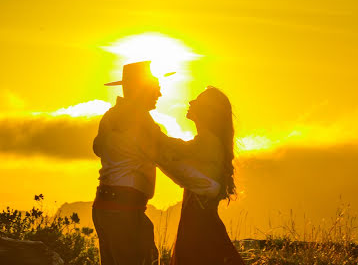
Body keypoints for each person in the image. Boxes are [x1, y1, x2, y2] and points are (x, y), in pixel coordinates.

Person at [92, 61, 221, 265]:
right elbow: (166, 158)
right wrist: (210, 187)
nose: (159, 94)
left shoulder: (110, 118)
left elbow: (98, 147)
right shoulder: (139, 121)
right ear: (142, 90)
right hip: (126, 211)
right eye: (156, 89)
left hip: (103, 209)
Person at [169, 86, 245, 265]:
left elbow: (168, 153)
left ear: (208, 112)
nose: (190, 102)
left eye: (198, 100)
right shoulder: (208, 142)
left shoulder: (207, 143)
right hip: (201, 226)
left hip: (199, 231)